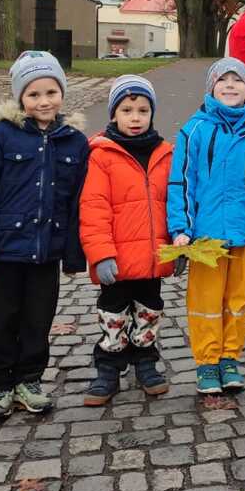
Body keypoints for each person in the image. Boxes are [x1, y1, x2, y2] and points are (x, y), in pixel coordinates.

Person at [0, 51, 87, 420]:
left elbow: (77, 201)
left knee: (38, 320)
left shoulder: (74, 141)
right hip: (6, 249)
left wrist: (73, 254)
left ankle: (29, 380)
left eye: (51, 92)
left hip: (47, 250)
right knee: (2, 319)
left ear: (62, 93)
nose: (43, 101)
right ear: (20, 97)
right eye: (33, 94)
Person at [168, 58, 245, 393]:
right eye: (223, 80)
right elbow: (182, 182)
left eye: (238, 80)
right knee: (205, 302)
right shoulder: (195, 130)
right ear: (211, 88)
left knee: (239, 299)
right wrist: (181, 228)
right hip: (206, 236)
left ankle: (229, 358)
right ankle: (207, 362)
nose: (230, 85)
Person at [80, 75, 176, 406]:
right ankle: (108, 367)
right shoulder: (102, 154)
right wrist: (100, 254)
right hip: (117, 258)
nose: (135, 118)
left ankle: (145, 362)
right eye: (127, 110)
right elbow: (94, 207)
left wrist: (176, 248)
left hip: (152, 256)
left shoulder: (165, 153)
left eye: (143, 111)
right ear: (114, 114)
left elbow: (174, 204)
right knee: (113, 312)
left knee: (150, 309)